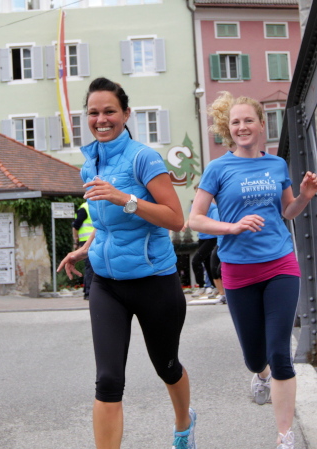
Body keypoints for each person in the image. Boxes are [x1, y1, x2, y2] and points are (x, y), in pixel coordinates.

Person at [58, 77, 196, 449]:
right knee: (107, 380)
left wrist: (125, 199)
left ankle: (184, 423)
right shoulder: (89, 164)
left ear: (126, 114)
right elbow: (105, 225)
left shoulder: (143, 158)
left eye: (109, 112)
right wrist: (85, 248)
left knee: (167, 366)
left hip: (154, 281)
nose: (101, 119)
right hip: (106, 283)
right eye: (93, 113)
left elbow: (175, 218)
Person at [189, 91, 317, 449]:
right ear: (228, 129)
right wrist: (232, 227)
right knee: (255, 357)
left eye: (249, 120)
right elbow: (195, 218)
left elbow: (287, 212)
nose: (242, 127)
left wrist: (304, 196)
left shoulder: (276, 165)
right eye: (236, 122)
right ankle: (260, 374)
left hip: (280, 264)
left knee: (280, 353)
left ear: (262, 125)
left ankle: (284, 436)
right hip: (238, 270)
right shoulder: (218, 168)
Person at [72, 200, 94, 300]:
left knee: (91, 267)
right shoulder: (85, 207)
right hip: (87, 241)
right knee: (90, 267)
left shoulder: (93, 206)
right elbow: (75, 226)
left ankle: (88, 291)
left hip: (93, 240)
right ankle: (88, 292)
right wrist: (75, 241)